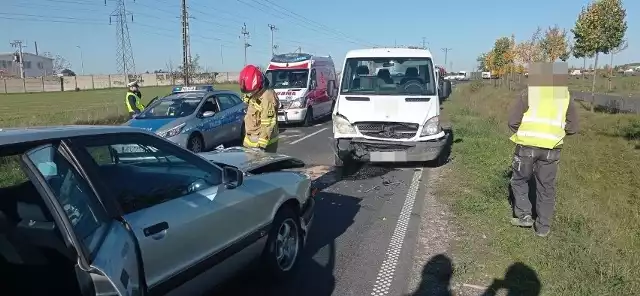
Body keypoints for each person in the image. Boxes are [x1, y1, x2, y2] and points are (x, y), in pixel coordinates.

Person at [507, 62, 579, 237]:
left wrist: (526, 132)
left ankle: (524, 215)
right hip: (551, 150)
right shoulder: (565, 97)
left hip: (526, 147)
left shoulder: (529, 93)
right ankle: (543, 227)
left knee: (519, 180)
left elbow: (512, 121)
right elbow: (573, 127)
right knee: (546, 187)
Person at [239, 65, 279, 152]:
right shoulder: (255, 91)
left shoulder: (267, 97)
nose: (249, 94)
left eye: (250, 92)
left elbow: (268, 124)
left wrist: (261, 147)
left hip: (263, 144)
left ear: (259, 85)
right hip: (250, 140)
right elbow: (248, 98)